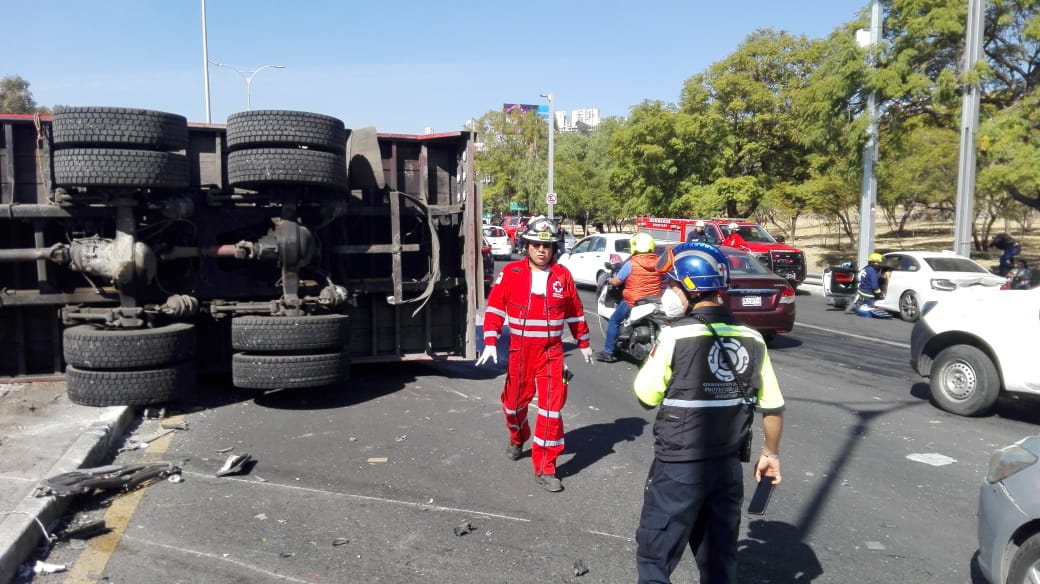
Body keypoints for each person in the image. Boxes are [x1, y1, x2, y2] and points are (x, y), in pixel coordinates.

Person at [633, 241, 785, 584]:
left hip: (678, 468)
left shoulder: (675, 335)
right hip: (727, 468)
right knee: (718, 563)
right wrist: (770, 454)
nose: (668, 291)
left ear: (689, 287)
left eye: (672, 284)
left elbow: (645, 395)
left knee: (655, 558)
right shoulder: (753, 338)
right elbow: (773, 407)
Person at [476, 215, 594, 493]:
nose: (542, 250)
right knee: (513, 406)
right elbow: (494, 308)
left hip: (552, 353)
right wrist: (491, 340)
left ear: (554, 249)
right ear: (526, 245)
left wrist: (584, 343)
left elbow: (575, 313)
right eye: (536, 245)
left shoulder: (562, 276)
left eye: (548, 246)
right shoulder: (512, 274)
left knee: (552, 411)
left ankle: (546, 468)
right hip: (520, 350)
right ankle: (518, 438)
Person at [596, 232, 663, 363]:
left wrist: (609, 281)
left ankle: (608, 352)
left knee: (614, 320)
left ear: (635, 246)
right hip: (654, 300)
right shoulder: (658, 262)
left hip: (634, 300)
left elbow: (617, 282)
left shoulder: (631, 264)